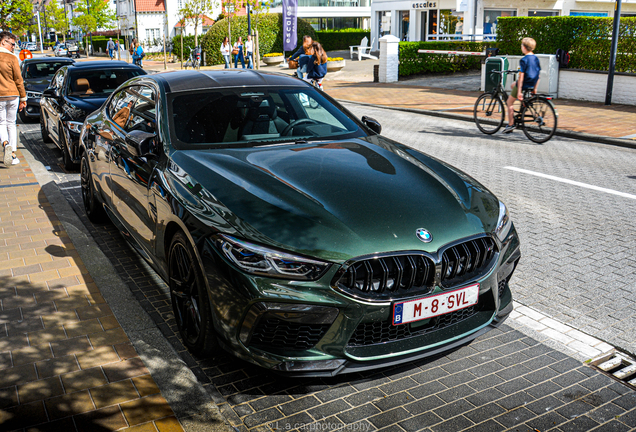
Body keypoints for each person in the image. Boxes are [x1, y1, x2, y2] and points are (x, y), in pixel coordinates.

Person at [504, 37, 541, 134]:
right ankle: (522, 105)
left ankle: (511, 124)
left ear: (524, 47)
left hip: (524, 83)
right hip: (532, 82)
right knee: (513, 85)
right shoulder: (536, 58)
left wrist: (519, 92)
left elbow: (521, 77)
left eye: (521, 45)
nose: (521, 47)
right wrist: (535, 88)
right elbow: (539, 74)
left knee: (509, 103)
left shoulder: (524, 60)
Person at [0, 31, 26, 166]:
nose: (13, 47)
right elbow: (18, 79)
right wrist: (23, 98)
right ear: (3, 42)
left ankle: (5, 144)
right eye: (12, 44)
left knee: (1, 122)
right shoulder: (12, 58)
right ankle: (13, 154)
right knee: (11, 123)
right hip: (13, 94)